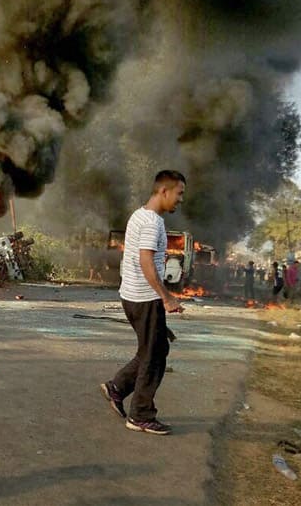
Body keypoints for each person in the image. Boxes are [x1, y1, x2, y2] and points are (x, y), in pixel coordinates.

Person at [100, 170, 186, 436]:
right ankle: (141, 415)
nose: (180, 200)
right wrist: (165, 296)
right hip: (144, 298)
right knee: (154, 357)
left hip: (134, 295)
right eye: (179, 193)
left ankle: (117, 387)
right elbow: (145, 261)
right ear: (164, 191)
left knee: (156, 349)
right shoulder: (151, 222)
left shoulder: (140, 215)